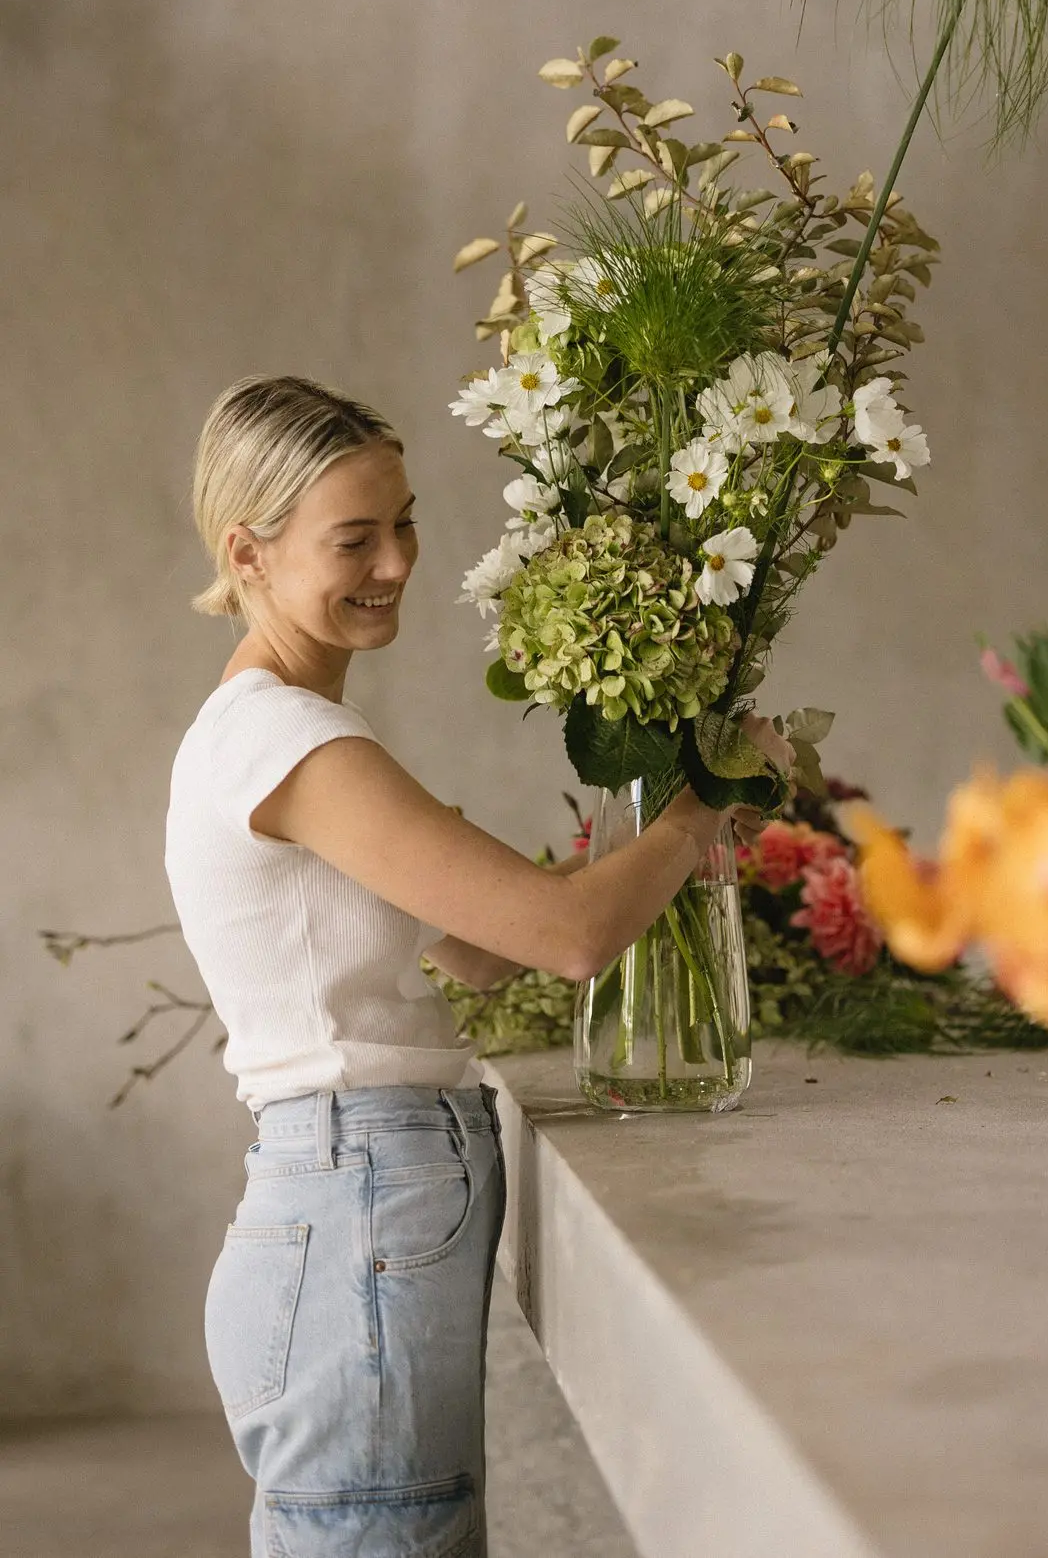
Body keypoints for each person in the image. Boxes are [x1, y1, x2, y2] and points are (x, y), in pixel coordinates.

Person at [165, 373, 791, 1558]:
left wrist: (640, 793)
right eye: (355, 537)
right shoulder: (291, 743)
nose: (396, 561)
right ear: (247, 553)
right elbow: (563, 940)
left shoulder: (275, 737)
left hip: (338, 1217)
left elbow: (486, 953)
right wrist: (704, 798)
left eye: (405, 523)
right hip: (352, 1213)